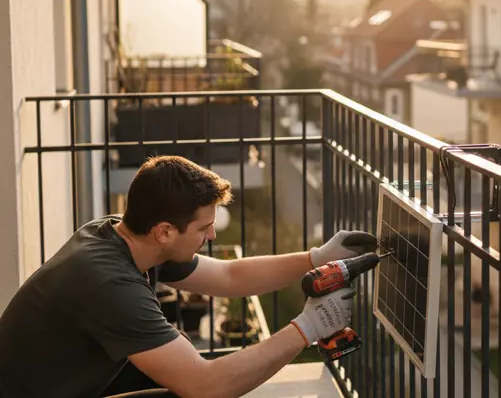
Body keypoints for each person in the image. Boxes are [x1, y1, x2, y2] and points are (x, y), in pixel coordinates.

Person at [0, 155, 377, 398]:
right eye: (203, 227)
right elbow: (208, 385)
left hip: (65, 383)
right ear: (164, 231)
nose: (212, 235)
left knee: (191, 371)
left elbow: (230, 276)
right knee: (199, 390)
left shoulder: (124, 234)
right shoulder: (109, 283)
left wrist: (316, 257)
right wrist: (309, 327)